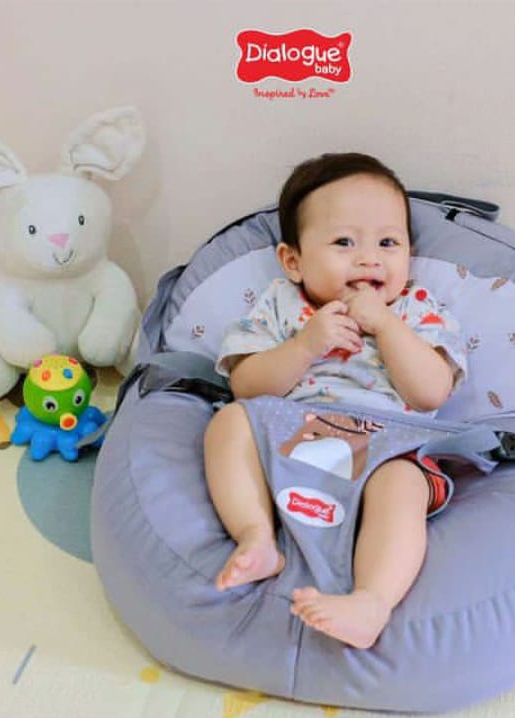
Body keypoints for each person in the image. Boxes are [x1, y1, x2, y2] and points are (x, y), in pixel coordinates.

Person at [204, 152, 467, 649]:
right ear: (294, 261)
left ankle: (372, 601)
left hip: (386, 445)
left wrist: (385, 326)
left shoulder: (416, 309)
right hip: (293, 432)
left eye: (388, 243)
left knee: (403, 485)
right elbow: (247, 386)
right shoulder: (281, 304)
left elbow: (431, 391)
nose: (370, 259)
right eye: (345, 242)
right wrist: (305, 345)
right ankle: (256, 538)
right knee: (230, 423)